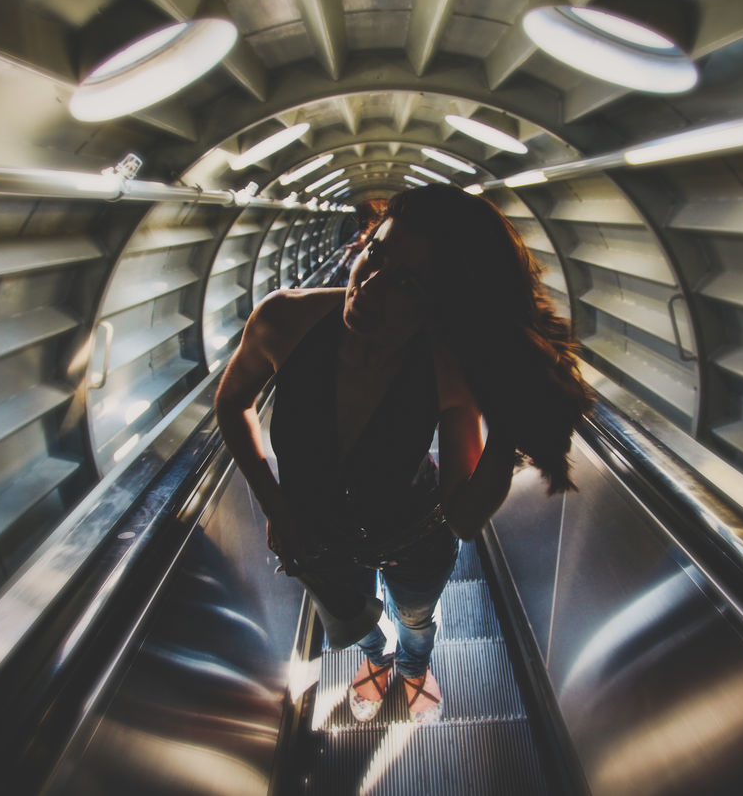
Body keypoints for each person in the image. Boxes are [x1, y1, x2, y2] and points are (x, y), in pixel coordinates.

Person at [214, 184, 594, 724]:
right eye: (377, 253)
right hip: (313, 536)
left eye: (409, 284)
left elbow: (463, 516)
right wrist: (276, 506)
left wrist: (508, 427)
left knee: (417, 616)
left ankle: (414, 667)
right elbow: (232, 405)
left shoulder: (447, 369)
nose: (371, 285)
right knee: (352, 617)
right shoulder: (284, 320)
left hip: (413, 537)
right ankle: (376, 662)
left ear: (442, 304)